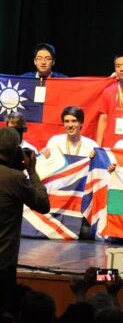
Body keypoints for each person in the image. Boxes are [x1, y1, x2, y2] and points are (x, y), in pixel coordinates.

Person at [0, 127, 50, 313]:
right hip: (3, 263)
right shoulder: (15, 178)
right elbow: (43, 205)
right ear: (15, 150)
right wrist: (32, 171)